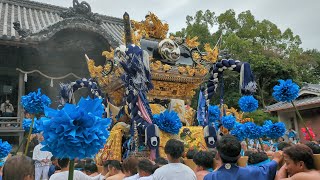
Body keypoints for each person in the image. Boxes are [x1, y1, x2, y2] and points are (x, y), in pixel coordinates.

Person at [204, 135, 283, 180]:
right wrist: (276, 159)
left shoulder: (210, 178)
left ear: (217, 155)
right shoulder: (251, 172)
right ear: (239, 156)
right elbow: (267, 169)